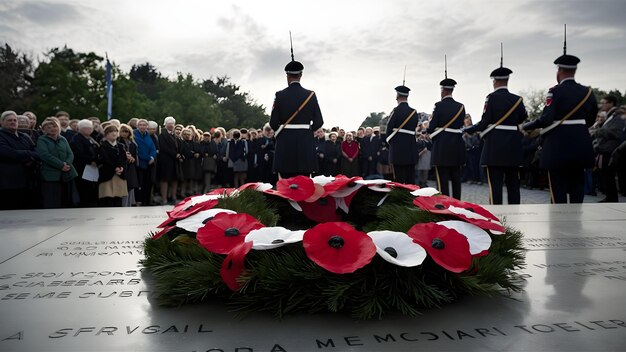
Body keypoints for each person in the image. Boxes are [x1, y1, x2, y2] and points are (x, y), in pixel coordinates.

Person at [522, 41, 598, 203]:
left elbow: (547, 119)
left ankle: (559, 223)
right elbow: (591, 119)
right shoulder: (588, 92)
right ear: (575, 70)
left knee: (557, 188)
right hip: (580, 143)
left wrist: (526, 126)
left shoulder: (554, 91)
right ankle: (576, 220)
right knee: (578, 185)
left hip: (557, 145)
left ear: (560, 70)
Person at [463, 60, 528, 204]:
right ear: (507, 80)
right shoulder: (518, 100)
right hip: (513, 146)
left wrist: (467, 129)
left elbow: (485, 122)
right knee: (513, 185)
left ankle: (497, 216)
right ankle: (515, 214)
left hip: (495, 146)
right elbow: (523, 117)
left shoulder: (491, 98)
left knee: (495, 186)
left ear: (494, 81)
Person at [269, 55, 324, 178]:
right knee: (304, 180)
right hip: (305, 141)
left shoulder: (280, 95)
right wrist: (307, 130)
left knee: (286, 180)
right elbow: (319, 121)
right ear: (301, 75)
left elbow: (273, 123)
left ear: (287, 76)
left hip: (285, 142)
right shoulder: (311, 95)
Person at [427, 76, 466, 197]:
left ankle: (444, 206)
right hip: (457, 146)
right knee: (456, 179)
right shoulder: (461, 106)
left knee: (442, 180)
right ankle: (458, 204)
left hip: (442, 147)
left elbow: (432, 127)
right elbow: (460, 124)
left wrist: (429, 127)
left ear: (443, 90)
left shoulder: (438, 105)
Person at [0, 110, 40, 209]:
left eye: (15, 120)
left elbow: (37, 152)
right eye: (9, 120)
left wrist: (31, 157)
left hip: (27, 181)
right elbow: (8, 153)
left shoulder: (24, 136)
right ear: (1, 122)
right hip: (7, 184)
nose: (13, 122)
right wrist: (29, 154)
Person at [36, 117, 78, 208]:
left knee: (67, 200)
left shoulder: (63, 139)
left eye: (54, 126)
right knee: (52, 201)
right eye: (48, 127)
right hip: (51, 175)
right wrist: (61, 165)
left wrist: (67, 164)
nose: (52, 129)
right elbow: (44, 155)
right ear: (44, 130)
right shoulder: (42, 140)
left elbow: (70, 154)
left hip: (67, 173)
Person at [591, 95, 625, 202]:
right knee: (607, 175)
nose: (601, 105)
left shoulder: (618, 115)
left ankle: (612, 198)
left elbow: (616, 132)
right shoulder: (611, 115)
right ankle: (610, 197)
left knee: (609, 174)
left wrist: (597, 131)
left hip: (611, 150)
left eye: (604, 102)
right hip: (607, 150)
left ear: (611, 103)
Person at [385, 85, 419, 184]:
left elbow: (389, 130)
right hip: (411, 149)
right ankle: (410, 199)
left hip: (398, 150)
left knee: (399, 180)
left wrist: (394, 144)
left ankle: (400, 199)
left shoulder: (395, 111)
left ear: (397, 96)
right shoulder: (414, 112)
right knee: (410, 180)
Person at [69, 119, 100, 207]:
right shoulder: (76, 139)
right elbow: (78, 153)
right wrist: (91, 160)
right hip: (83, 168)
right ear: (80, 129)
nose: (90, 130)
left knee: (92, 188)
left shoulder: (91, 139)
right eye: (86, 128)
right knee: (84, 188)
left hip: (93, 168)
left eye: (90, 128)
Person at [98, 125, 128, 207]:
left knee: (118, 197)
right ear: (106, 134)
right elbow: (105, 159)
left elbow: (124, 159)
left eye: (115, 131)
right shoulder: (103, 145)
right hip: (107, 174)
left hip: (120, 174)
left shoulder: (121, 146)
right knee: (108, 197)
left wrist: (121, 167)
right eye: (111, 132)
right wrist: (115, 168)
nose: (114, 133)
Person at [157, 116, 181, 204]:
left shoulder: (174, 135)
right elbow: (163, 148)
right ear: (165, 124)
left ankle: (173, 197)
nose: (171, 126)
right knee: (165, 179)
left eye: (172, 124)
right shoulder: (162, 135)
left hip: (174, 161)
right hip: (165, 161)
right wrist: (175, 154)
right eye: (169, 124)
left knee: (174, 179)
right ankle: (164, 199)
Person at [134, 119, 157, 205]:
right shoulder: (135, 134)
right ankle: (139, 201)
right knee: (140, 183)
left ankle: (146, 201)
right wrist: (149, 158)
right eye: (140, 125)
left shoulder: (147, 135)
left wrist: (152, 157)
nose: (142, 126)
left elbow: (152, 148)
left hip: (149, 163)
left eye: (144, 125)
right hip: (140, 163)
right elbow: (139, 150)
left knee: (148, 183)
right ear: (137, 126)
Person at [118, 123, 139, 206]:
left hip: (131, 166)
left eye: (126, 131)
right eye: (123, 131)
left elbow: (135, 154)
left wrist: (133, 158)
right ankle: (123, 205)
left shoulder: (132, 143)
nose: (125, 133)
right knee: (124, 186)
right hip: (123, 166)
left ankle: (129, 204)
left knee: (131, 185)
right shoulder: (118, 142)